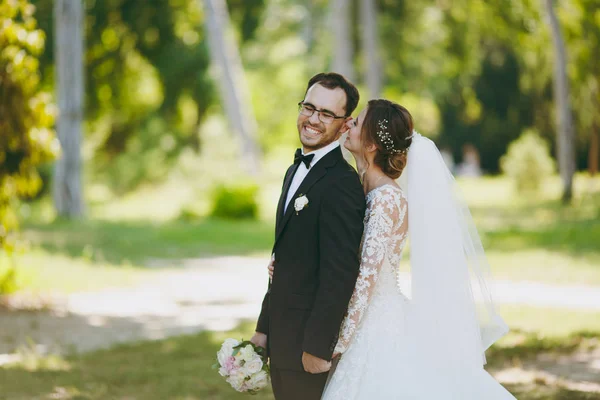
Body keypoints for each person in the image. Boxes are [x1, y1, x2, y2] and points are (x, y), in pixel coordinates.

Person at [269, 99, 516, 399]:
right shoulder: (358, 186)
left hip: (375, 327)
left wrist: (338, 343)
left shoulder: (386, 199)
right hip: (354, 320)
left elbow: (367, 279)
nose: (348, 124)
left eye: (356, 123)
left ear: (371, 145)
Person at [251, 72, 366, 400]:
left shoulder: (341, 184)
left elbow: (340, 273)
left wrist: (318, 348)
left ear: (344, 124)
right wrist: (263, 330)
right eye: (309, 107)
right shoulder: (293, 172)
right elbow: (284, 257)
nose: (314, 119)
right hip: (282, 339)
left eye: (327, 113)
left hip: (307, 349)